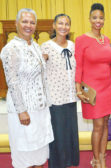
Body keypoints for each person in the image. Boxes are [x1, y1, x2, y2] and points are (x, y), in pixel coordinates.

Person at [0, 8, 54, 168]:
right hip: (24, 112)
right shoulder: (11, 49)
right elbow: (12, 82)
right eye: (24, 21)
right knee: (25, 154)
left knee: (39, 154)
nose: (28, 25)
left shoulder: (36, 46)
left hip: (40, 110)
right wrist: (21, 110)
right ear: (17, 23)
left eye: (32, 22)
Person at [75, 3, 111, 168]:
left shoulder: (106, 39)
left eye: (101, 17)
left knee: (105, 123)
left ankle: (102, 156)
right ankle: (97, 159)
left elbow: (109, 64)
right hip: (93, 90)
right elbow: (79, 66)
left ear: (104, 19)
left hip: (107, 87)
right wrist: (78, 89)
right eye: (94, 17)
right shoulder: (81, 39)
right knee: (98, 126)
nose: (98, 21)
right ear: (90, 19)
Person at [41, 14, 79, 168]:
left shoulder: (73, 45)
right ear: (54, 26)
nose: (64, 26)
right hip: (55, 98)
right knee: (58, 136)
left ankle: (69, 163)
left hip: (70, 97)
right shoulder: (46, 46)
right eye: (60, 23)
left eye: (67, 24)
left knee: (70, 134)